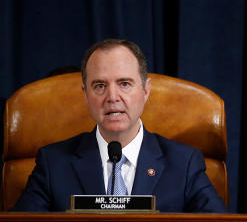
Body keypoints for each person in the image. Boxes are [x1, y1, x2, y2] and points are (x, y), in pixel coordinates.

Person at [14, 38, 227, 212]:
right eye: (100, 85)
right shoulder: (53, 163)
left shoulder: (184, 164)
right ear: (85, 95)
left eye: (124, 84)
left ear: (145, 91)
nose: (112, 97)